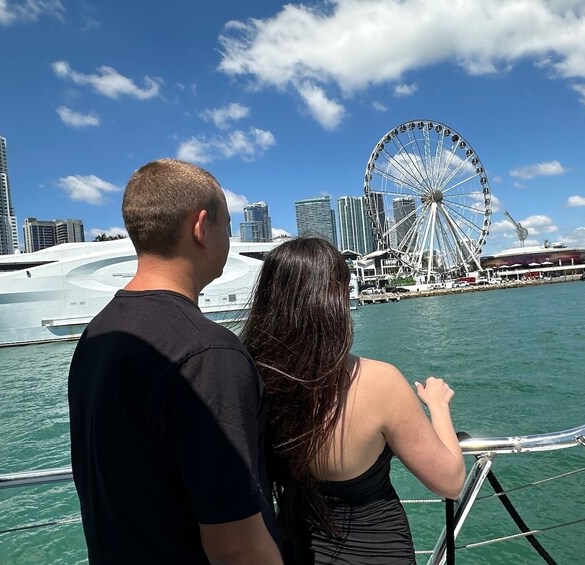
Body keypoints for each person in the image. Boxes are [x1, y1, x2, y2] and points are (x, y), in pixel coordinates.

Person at [68, 159, 282, 564]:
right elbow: (236, 547)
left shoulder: (96, 336)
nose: (229, 240)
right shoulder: (207, 353)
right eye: (227, 226)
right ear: (201, 227)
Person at [241, 237, 465, 563]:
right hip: (380, 551)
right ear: (337, 298)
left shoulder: (252, 379)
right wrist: (439, 407)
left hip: (295, 551)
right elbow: (450, 482)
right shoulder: (379, 381)